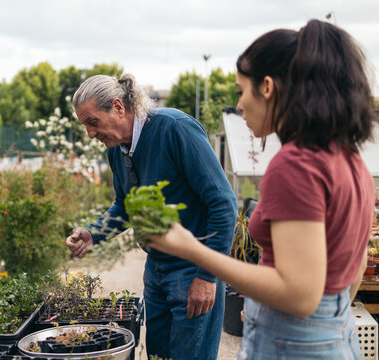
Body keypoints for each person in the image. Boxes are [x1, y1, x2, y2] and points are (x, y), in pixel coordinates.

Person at [147, 19, 377, 359]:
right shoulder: (348, 157)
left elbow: (299, 295)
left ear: (267, 87)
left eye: (241, 91)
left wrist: (191, 249)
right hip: (336, 332)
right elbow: (354, 267)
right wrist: (267, 306)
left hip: (293, 344)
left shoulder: (296, 164)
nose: (239, 106)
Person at [65, 73, 238, 360]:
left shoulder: (175, 129)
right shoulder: (116, 151)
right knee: (157, 355)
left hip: (194, 268)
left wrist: (207, 277)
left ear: (118, 107)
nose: (90, 134)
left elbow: (223, 204)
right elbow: (125, 206)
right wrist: (93, 233)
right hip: (156, 271)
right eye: (85, 126)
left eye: (92, 122)